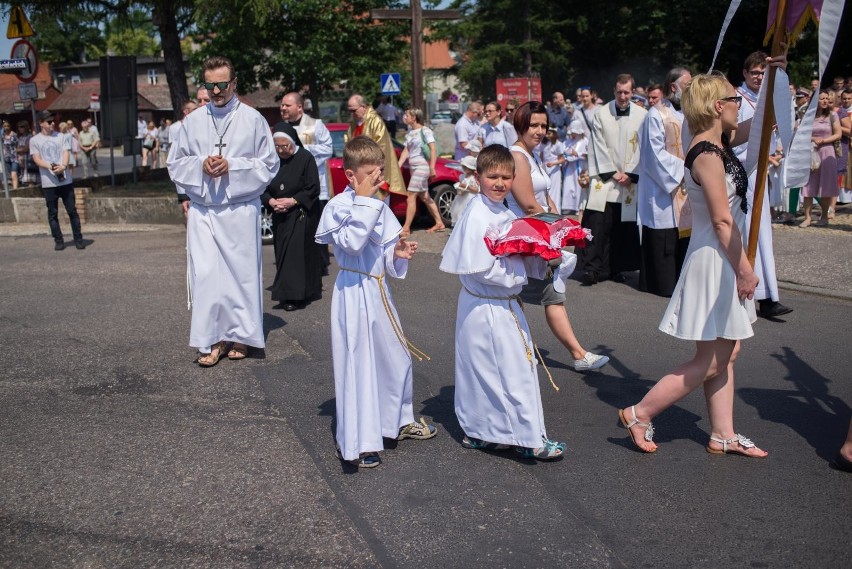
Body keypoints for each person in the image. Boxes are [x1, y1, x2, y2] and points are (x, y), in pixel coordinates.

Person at [617, 72, 769, 458]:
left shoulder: (717, 142)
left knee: (725, 353)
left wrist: (775, 79)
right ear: (719, 107)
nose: (741, 103)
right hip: (716, 261)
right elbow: (722, 222)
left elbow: (760, 123)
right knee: (713, 358)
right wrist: (746, 269)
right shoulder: (706, 153)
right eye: (736, 98)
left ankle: (722, 433)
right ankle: (640, 412)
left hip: (720, 258)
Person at [315, 136, 437, 468]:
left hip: (377, 290)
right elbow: (354, 244)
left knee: (395, 357)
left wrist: (397, 253)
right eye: (370, 174)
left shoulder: (378, 205)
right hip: (352, 291)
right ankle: (357, 441)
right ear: (350, 175)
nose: (377, 179)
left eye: (380, 172)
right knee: (358, 363)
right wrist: (367, 200)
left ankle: (395, 420)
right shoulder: (339, 206)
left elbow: (384, 253)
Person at [439, 144, 566, 460]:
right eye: (492, 176)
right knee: (496, 372)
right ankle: (521, 437)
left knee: (505, 370)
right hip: (485, 306)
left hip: (503, 305)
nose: (499, 183)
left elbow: (518, 258)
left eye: (506, 177)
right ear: (478, 176)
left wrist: (542, 256)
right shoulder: (477, 215)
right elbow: (481, 268)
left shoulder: (506, 211)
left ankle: (501, 432)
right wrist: (517, 259)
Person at [167, 55, 279, 367]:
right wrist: (200, 165)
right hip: (205, 211)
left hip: (239, 210)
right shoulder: (193, 121)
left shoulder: (252, 119)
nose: (216, 91)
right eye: (210, 85)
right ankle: (212, 339)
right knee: (207, 278)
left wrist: (233, 166)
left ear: (234, 82)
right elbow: (175, 163)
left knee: (240, 277)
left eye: (222, 84)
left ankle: (241, 336)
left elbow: (269, 164)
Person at [508, 101, 609, 372]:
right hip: (527, 237)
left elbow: (545, 196)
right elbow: (529, 204)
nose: (541, 131)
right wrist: (558, 227)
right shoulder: (517, 156)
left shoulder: (533, 154)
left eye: (544, 125)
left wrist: (560, 222)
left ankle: (573, 353)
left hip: (541, 233)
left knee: (545, 295)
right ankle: (575, 354)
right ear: (521, 125)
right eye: (534, 125)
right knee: (533, 295)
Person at [735, 51, 792, 318]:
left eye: (762, 73)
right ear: (745, 74)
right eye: (754, 72)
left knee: (763, 235)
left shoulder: (767, 98)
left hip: (760, 173)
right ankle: (747, 294)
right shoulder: (737, 98)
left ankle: (768, 295)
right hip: (741, 172)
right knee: (746, 232)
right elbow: (732, 138)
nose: (758, 77)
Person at [578, 73, 647, 285]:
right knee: (597, 223)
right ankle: (592, 268)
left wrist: (631, 174)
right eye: (619, 92)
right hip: (605, 178)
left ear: (633, 92)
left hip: (629, 180)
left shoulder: (643, 115)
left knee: (621, 226)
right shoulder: (601, 113)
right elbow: (596, 144)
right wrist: (612, 172)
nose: (623, 96)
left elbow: (644, 147)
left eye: (627, 92)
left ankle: (617, 268)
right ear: (614, 92)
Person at [637, 67, 692, 297]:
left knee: (684, 233)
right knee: (664, 234)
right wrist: (685, 169)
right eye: (688, 85)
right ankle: (662, 284)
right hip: (663, 186)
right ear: (674, 87)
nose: (692, 90)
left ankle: (683, 279)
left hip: (687, 184)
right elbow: (653, 154)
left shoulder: (689, 113)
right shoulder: (656, 115)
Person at [261, 123, 323, 311]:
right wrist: (271, 201)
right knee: (282, 254)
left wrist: (294, 200)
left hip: (300, 213)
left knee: (296, 255)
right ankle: (291, 293)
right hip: (279, 214)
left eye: (285, 146)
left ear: (293, 143)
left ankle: (294, 297)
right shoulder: (271, 160)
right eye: (277, 147)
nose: (281, 150)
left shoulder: (305, 158)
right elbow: (260, 186)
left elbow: (313, 188)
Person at [279, 91, 334, 271]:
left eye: (287, 105)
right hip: (290, 190)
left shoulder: (315, 125)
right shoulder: (281, 128)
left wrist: (302, 151)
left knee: (315, 229)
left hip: (314, 187)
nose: (283, 108)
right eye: (282, 105)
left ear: (300, 107)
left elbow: (328, 148)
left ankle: (319, 266)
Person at [29, 110, 85, 251]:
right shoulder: (34, 140)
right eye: (49, 121)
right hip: (49, 183)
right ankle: (59, 240)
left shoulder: (61, 136)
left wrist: (64, 166)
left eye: (53, 120)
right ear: (41, 123)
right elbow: (37, 160)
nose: (52, 123)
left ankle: (78, 239)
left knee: (72, 211)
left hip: (65, 181)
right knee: (52, 213)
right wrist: (52, 167)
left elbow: (66, 152)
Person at [397, 107, 445, 236]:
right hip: (414, 168)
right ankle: (439, 222)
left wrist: (432, 167)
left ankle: (406, 228)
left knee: (411, 195)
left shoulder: (425, 131)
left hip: (422, 167)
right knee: (425, 197)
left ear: (414, 117)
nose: (404, 117)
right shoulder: (410, 133)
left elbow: (433, 149)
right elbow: (406, 150)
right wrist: (399, 164)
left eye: (407, 115)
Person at [346, 93, 405, 195]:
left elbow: (381, 148)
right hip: (359, 174)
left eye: (353, 110)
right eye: (349, 111)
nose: (352, 114)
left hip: (373, 174)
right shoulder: (353, 123)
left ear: (363, 107)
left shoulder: (375, 121)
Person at [801, 90, 841, 227]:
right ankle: (807, 217)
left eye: (826, 98)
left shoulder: (832, 115)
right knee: (808, 185)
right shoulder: (809, 116)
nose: (824, 101)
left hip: (827, 151)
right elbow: (801, 133)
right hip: (811, 151)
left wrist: (823, 140)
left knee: (826, 186)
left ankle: (824, 215)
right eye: (821, 99)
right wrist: (813, 139)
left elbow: (838, 134)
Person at [168, 101, 199, 214]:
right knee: (188, 214)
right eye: (194, 109)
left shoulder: (200, 125)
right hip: (186, 172)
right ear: (186, 111)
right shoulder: (175, 128)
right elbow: (176, 158)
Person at [561, 121, 588, 215]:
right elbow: (565, 151)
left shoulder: (585, 141)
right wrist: (569, 154)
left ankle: (578, 207)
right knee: (568, 186)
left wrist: (578, 155)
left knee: (578, 186)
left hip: (580, 167)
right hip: (570, 167)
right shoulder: (569, 141)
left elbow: (587, 155)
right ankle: (568, 206)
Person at [449, 154, 479, 225]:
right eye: (463, 167)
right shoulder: (462, 176)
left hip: (470, 198)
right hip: (461, 198)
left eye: (466, 167)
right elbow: (461, 187)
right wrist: (460, 188)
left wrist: (466, 186)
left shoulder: (473, 178)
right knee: (459, 214)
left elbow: (477, 190)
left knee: (468, 215)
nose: (464, 168)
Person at [540, 126, 565, 206]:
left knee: (554, 191)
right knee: (546, 189)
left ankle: (555, 209)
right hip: (546, 169)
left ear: (554, 134)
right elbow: (542, 156)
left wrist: (553, 163)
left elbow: (562, 159)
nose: (547, 135)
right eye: (547, 133)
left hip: (555, 170)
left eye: (549, 134)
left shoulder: (558, 144)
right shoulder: (545, 144)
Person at [839, 89, 852, 205]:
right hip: (842, 144)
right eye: (844, 98)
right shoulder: (839, 111)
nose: (846, 101)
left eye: (849, 98)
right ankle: (843, 198)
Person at [2, 120, 19, 189]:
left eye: (7, 126)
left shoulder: (14, 135)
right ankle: (13, 188)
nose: (6, 127)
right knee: (9, 175)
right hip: (6, 157)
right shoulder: (2, 136)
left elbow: (18, 145)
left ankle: (15, 189)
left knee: (14, 174)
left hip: (14, 156)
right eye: (5, 126)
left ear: (10, 126)